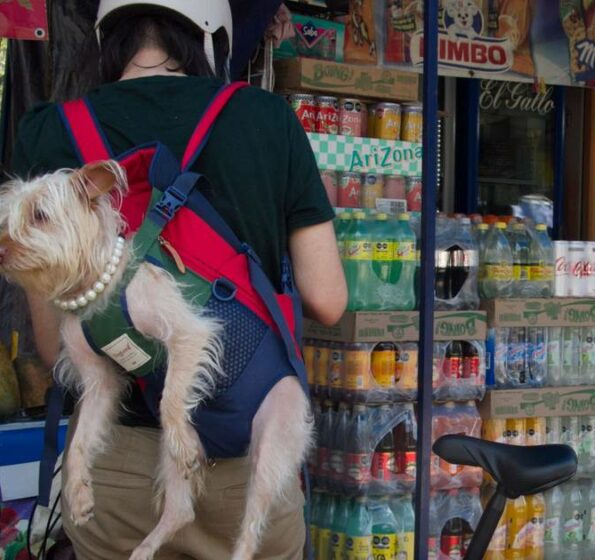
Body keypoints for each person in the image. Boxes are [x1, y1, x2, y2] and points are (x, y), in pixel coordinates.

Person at [11, 1, 347, 558]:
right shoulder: (266, 119)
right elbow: (328, 299)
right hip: (248, 461)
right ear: (211, 39)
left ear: (105, 42)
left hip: (115, 471)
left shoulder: (48, 132)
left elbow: (56, 346)